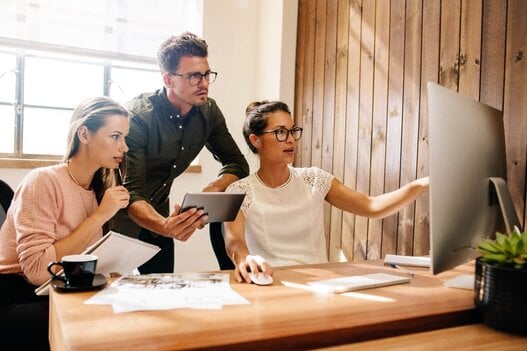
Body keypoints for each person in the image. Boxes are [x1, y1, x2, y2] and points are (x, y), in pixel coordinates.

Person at [224, 101, 430, 284]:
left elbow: (371, 206)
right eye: (280, 132)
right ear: (255, 140)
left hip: (322, 284)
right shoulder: (238, 191)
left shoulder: (314, 179)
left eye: (292, 131)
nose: (291, 140)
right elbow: (234, 241)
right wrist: (244, 260)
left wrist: (422, 184)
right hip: (271, 284)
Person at [110, 31, 249, 274]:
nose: (204, 83)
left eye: (206, 74)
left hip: (161, 217)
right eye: (194, 76)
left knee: (162, 294)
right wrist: (164, 226)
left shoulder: (209, 112)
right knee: (110, 299)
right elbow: (132, 192)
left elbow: (237, 163)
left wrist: (214, 188)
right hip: (115, 219)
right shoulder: (138, 117)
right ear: (168, 79)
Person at [0, 97, 130, 349]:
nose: (124, 147)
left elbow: (79, 263)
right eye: (115, 136)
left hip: (58, 293)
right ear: (84, 134)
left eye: (125, 137)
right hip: (14, 296)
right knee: (98, 323)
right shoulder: (42, 181)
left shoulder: (96, 191)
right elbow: (38, 272)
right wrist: (99, 217)